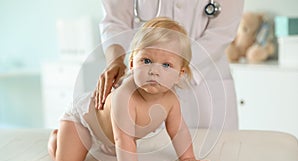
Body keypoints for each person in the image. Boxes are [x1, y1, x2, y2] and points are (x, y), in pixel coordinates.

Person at [48, 17, 212, 161]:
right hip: (84, 120)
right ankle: (56, 137)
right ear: (132, 64)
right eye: (146, 60)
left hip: (110, 135)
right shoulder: (124, 97)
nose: (154, 71)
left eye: (166, 65)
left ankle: (100, 143)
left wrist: (188, 158)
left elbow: (179, 131)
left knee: (116, 147)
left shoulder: (171, 100)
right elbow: (123, 138)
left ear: (179, 74)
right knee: (68, 160)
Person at [96, 0, 244, 132]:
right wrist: (115, 61)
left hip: (205, 85)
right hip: (141, 86)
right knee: (144, 154)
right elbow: (115, 21)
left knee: (217, 157)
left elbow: (220, 34)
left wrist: (166, 69)